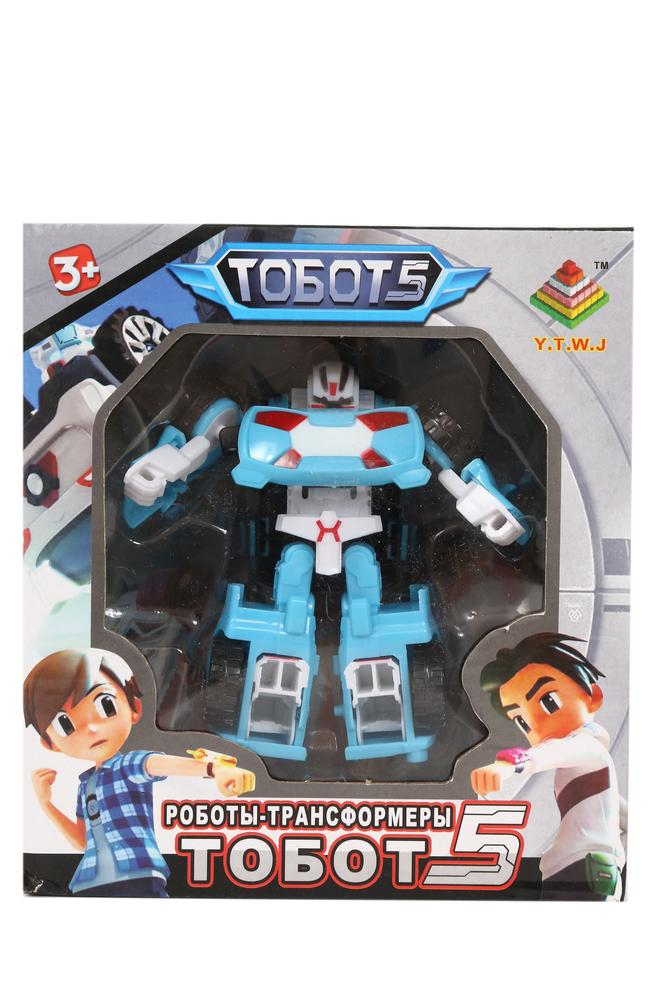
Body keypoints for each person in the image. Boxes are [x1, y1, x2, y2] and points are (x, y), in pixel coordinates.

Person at [24, 649, 253, 897]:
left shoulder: (128, 766)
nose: (91, 729)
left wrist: (214, 769)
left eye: (106, 705)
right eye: (65, 724)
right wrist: (46, 804)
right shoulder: (85, 786)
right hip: (89, 882)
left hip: (137, 873)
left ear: (134, 707)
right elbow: (82, 841)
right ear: (51, 744)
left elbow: (161, 764)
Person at [471, 632, 626, 900]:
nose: (536, 725)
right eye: (522, 721)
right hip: (576, 870)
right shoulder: (595, 770)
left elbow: (550, 752)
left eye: (548, 702)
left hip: (584, 872)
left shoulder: (586, 747)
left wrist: (507, 765)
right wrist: (616, 855)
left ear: (593, 696)